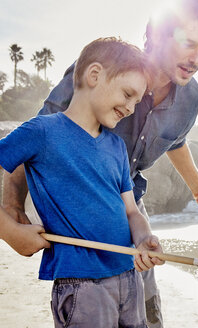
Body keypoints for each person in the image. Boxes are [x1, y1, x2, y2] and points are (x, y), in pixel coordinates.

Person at [1, 1, 198, 327]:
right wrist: (10, 212)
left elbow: (176, 141)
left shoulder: (190, 98)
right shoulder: (105, 68)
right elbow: (33, 140)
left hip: (128, 196)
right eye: (189, 44)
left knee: (145, 304)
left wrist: (197, 185)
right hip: (77, 208)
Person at [0, 37, 165, 327]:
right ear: (94, 75)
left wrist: (143, 239)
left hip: (129, 278)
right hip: (82, 287)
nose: (130, 107)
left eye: (137, 102)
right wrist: (10, 231)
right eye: (127, 94)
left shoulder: (116, 147)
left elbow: (131, 212)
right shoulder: (42, 132)